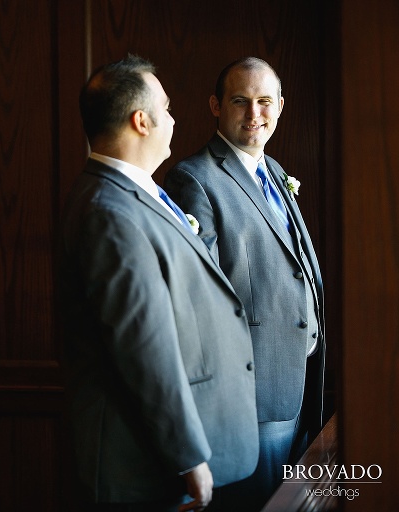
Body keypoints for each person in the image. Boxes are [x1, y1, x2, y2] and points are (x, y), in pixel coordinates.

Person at [58, 54, 259, 512]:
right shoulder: (108, 210)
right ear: (141, 120)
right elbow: (142, 345)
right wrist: (188, 455)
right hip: (145, 463)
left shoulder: (134, 191)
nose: (173, 118)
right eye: (165, 109)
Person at [164, 57, 326, 511]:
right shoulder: (194, 178)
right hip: (249, 395)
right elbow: (202, 296)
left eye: (264, 102)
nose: (255, 114)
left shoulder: (273, 170)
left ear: (280, 107)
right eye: (240, 101)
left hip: (298, 382)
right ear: (216, 105)